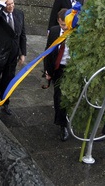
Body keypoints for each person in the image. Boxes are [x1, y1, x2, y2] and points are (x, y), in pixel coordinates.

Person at [44, 8, 70, 141]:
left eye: (65, 24)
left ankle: (67, 117)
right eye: (61, 24)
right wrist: (47, 71)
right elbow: (47, 52)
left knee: (68, 96)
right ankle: (62, 124)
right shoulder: (54, 31)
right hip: (58, 68)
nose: (63, 27)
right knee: (59, 96)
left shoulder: (77, 32)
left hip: (72, 69)